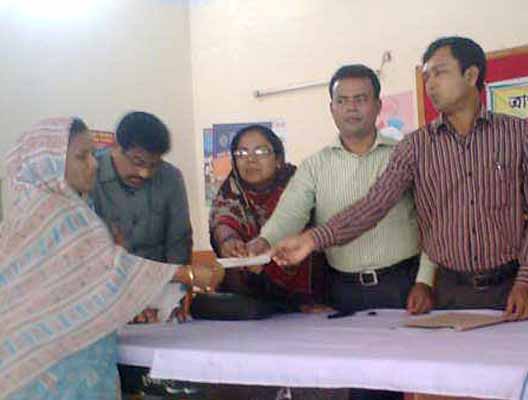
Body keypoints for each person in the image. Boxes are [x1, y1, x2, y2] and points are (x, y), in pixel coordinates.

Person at [273, 37, 528, 320]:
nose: (430, 84)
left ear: (470, 75)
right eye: (427, 76)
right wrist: (312, 240)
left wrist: (526, 280)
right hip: (447, 292)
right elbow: (374, 205)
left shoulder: (518, 135)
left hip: (511, 288)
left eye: (439, 73)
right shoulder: (415, 146)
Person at [0, 118, 223, 399]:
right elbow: (106, 269)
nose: (93, 164)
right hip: (59, 360)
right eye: (82, 156)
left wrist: (165, 296)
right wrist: (187, 275)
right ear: (48, 162)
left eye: (93, 154)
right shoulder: (58, 214)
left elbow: (174, 241)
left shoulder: (36, 209)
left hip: (48, 350)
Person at [247, 64, 438, 318]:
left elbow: (433, 222)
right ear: (332, 108)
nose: (351, 108)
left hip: (403, 285)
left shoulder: (405, 155)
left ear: (378, 105)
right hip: (341, 289)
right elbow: (289, 215)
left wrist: (425, 281)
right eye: (342, 100)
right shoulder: (314, 166)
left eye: (360, 99)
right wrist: (264, 242)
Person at [89, 111, 194, 394]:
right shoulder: (90, 175)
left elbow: (179, 242)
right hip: (104, 303)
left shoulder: (171, 178)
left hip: (158, 303)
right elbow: (89, 255)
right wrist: (127, 301)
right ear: (116, 147)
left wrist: (173, 296)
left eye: (154, 164)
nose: (145, 173)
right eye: (137, 162)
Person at [197, 124, 326, 320]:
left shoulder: (301, 186)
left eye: (261, 151)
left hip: (310, 301)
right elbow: (224, 220)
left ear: (278, 159)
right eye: (241, 153)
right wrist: (229, 243)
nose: (250, 159)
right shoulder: (231, 191)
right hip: (249, 302)